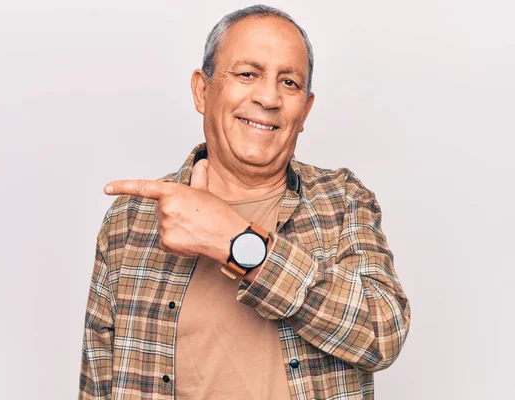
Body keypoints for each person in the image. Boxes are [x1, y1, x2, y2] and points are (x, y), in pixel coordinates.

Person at [79, 5, 410, 400]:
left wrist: (236, 241)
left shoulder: (342, 201)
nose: (269, 97)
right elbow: (98, 380)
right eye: (247, 74)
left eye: (289, 83)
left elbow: (382, 335)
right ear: (203, 91)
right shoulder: (130, 220)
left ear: (305, 110)